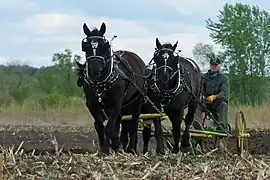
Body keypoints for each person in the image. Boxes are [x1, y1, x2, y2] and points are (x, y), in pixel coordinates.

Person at [193, 55, 230, 133]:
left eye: (215, 65)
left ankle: (222, 126)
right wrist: (201, 96)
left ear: (219, 66)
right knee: (197, 104)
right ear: (210, 65)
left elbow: (224, 93)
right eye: (212, 65)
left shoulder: (224, 78)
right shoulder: (204, 77)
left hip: (218, 103)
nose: (213, 67)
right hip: (206, 102)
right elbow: (200, 89)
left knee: (223, 105)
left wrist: (214, 97)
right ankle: (197, 123)